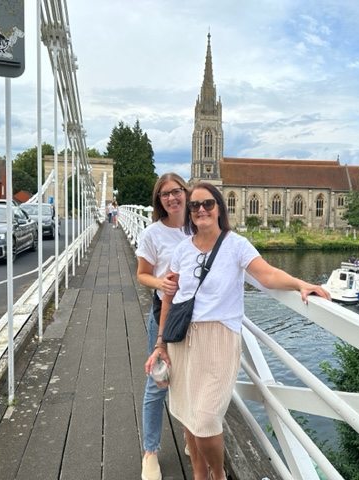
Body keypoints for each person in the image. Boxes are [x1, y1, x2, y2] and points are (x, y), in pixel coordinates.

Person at [145, 182, 330, 480]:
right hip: (181, 340)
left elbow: (266, 274)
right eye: (195, 206)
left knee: (205, 419)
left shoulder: (236, 245)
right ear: (190, 213)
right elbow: (170, 295)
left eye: (207, 204)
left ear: (220, 207)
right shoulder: (181, 250)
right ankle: (199, 475)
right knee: (189, 415)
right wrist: (160, 343)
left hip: (219, 340)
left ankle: (217, 474)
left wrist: (299, 283)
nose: (201, 210)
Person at [136, 173, 189, 480]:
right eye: (165, 195)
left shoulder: (199, 226)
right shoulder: (152, 234)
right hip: (164, 314)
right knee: (158, 382)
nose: (172, 198)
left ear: (186, 192)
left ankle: (189, 436)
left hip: (198, 316)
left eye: (176, 192)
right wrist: (161, 283)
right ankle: (150, 452)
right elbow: (142, 273)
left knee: (189, 380)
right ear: (159, 201)